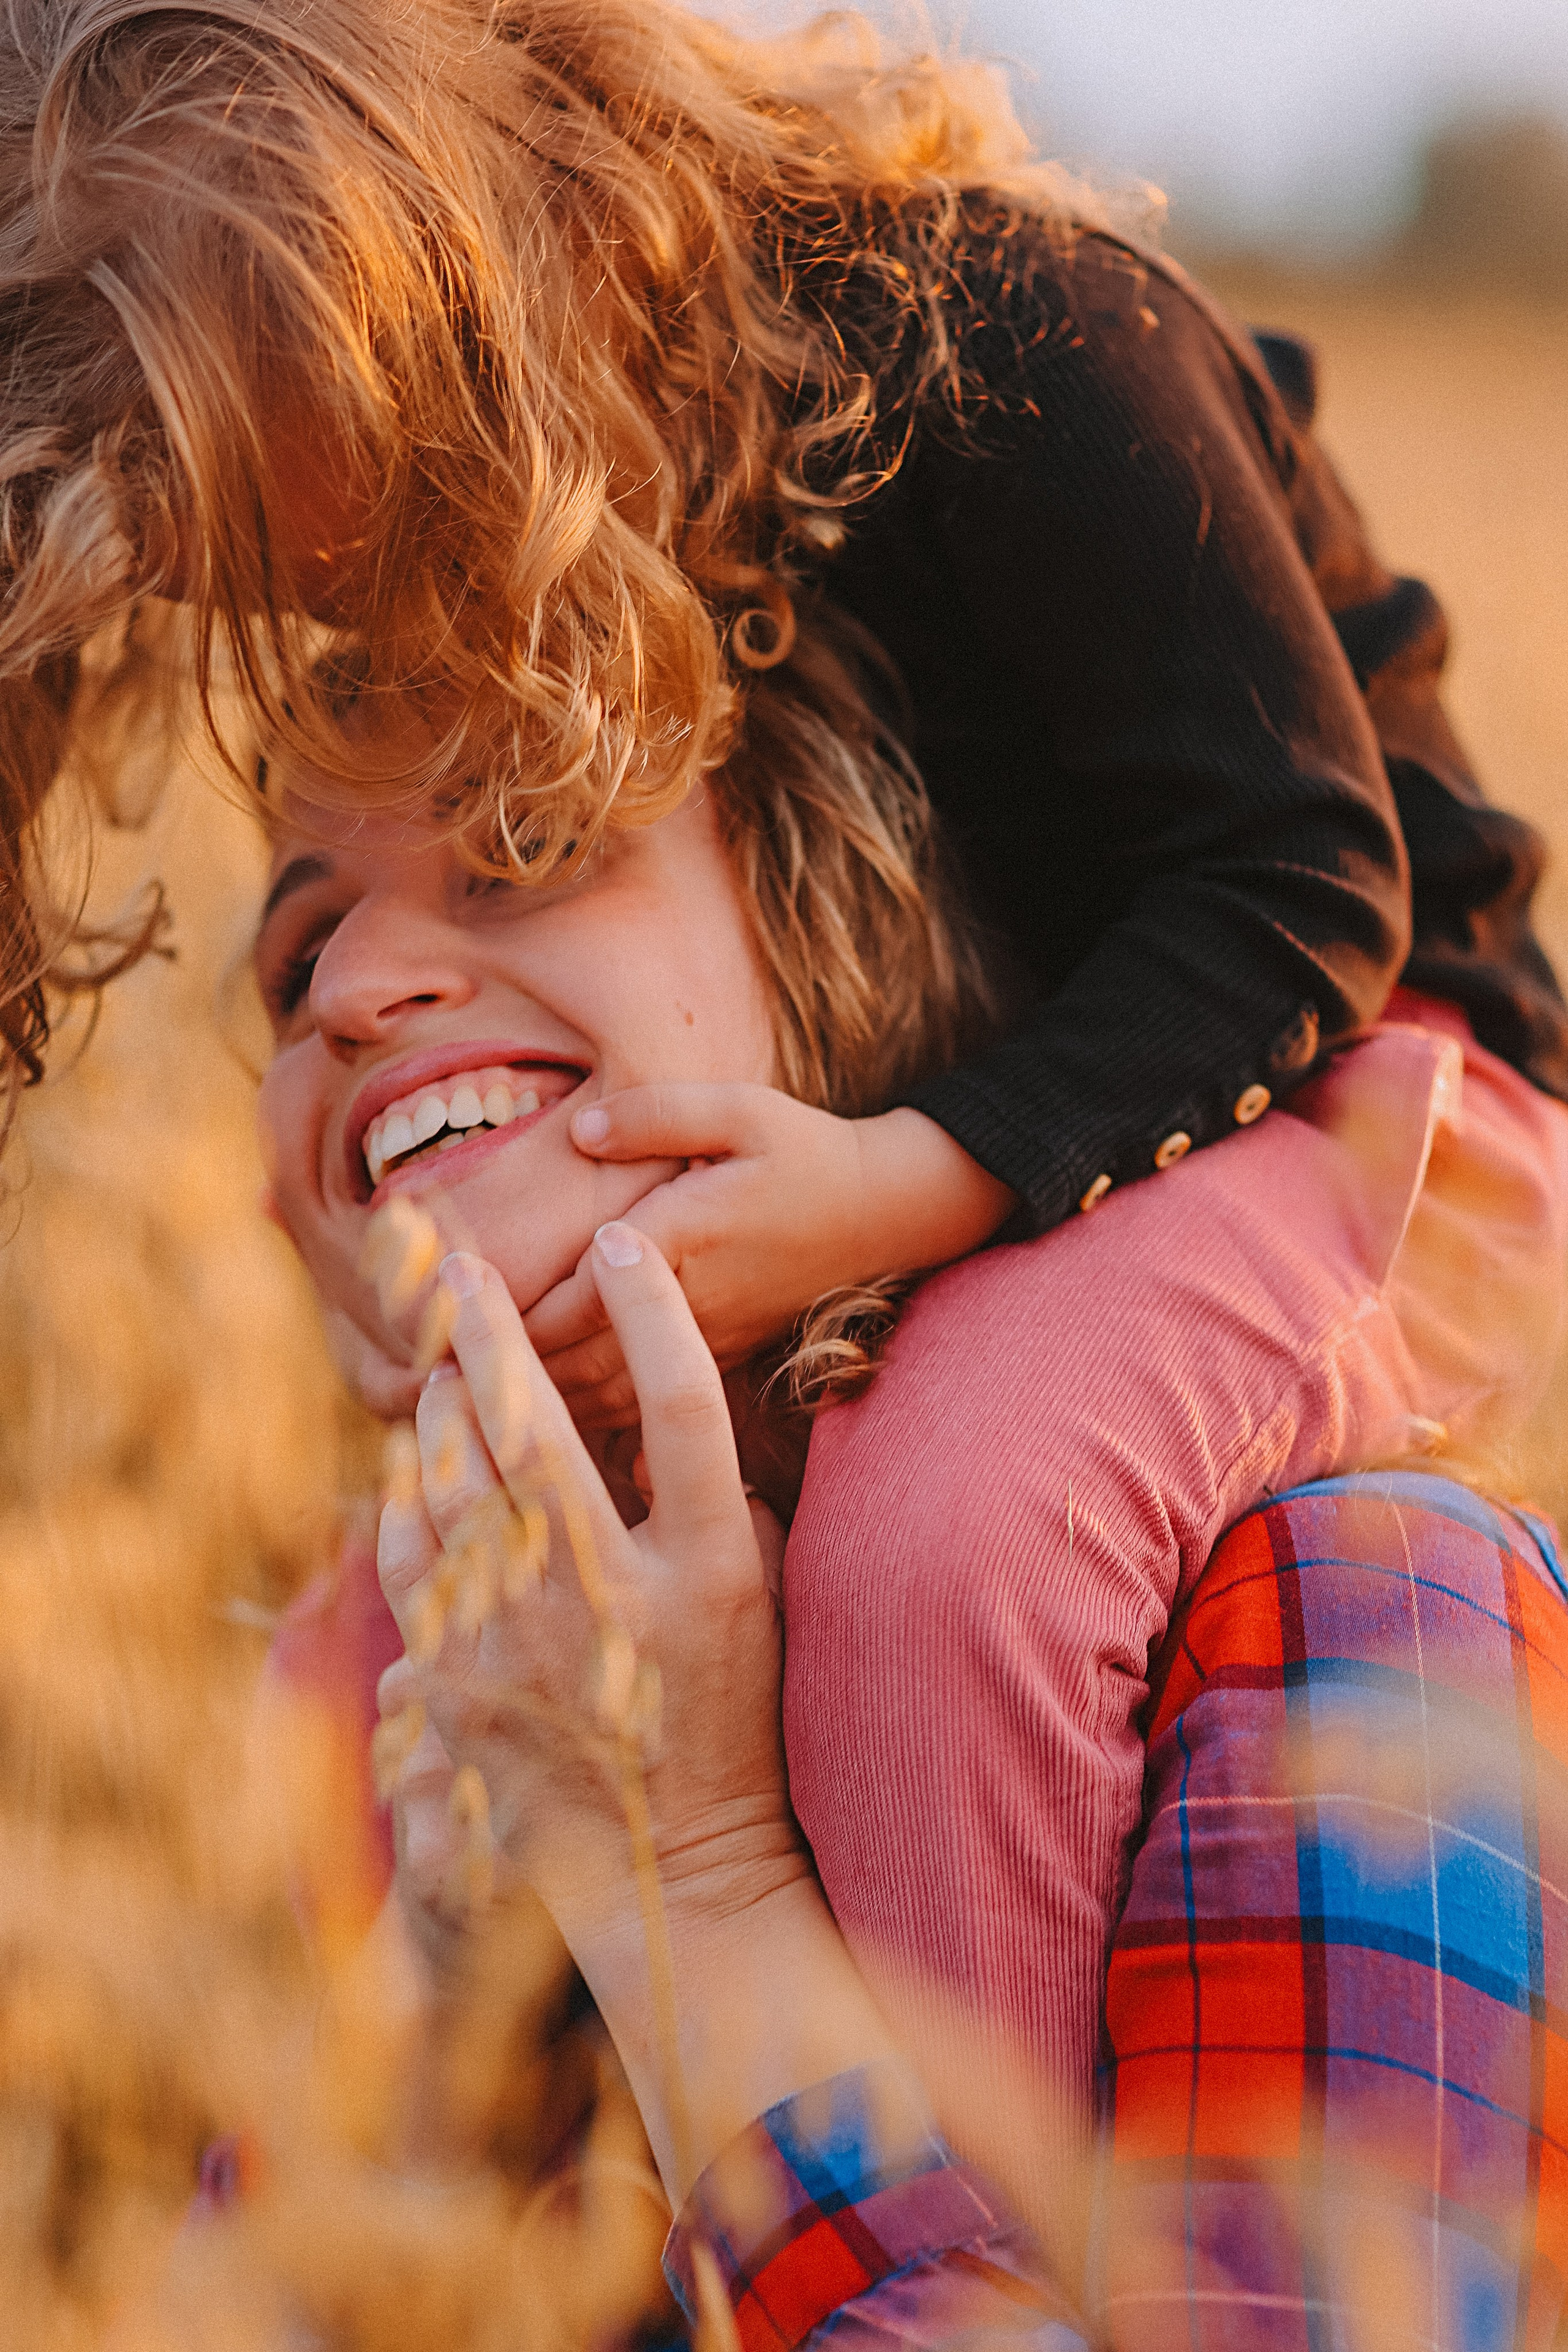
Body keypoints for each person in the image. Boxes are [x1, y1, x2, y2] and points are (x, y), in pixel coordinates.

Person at [250, 666, 1567, 2249]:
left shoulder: (1365, 1648)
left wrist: (690, 1875)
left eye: (528, 841)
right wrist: (435, 2006)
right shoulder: (385, 1704)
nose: (353, 985)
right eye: (299, 952)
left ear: (838, 923)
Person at [377, 1230, 1568, 2348]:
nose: (357, 1000)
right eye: (285, 995)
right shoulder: (382, 1735)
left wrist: (687, 1887)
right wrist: (434, 2050)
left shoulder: (1375, 1616)